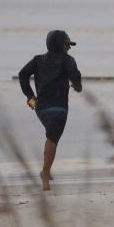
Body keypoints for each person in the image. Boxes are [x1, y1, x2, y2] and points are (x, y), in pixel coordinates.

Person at [18, 29, 82, 191]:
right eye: (67, 44)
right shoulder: (68, 61)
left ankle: (46, 169)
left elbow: (22, 75)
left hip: (40, 108)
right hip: (59, 108)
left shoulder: (38, 60)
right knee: (52, 138)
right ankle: (45, 173)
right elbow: (75, 76)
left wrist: (30, 96)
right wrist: (78, 86)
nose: (69, 47)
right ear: (60, 45)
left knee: (51, 136)